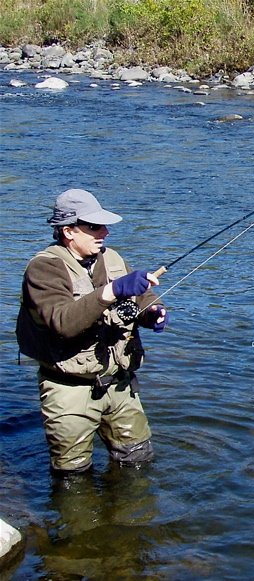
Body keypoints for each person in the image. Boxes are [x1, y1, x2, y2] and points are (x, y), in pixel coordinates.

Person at [16, 188, 169, 475]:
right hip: (68, 390)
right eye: (94, 226)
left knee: (138, 464)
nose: (105, 232)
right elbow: (62, 321)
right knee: (73, 477)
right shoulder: (44, 269)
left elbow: (141, 295)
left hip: (121, 385)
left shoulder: (111, 258)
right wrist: (112, 291)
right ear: (68, 231)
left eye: (104, 225)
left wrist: (152, 312)